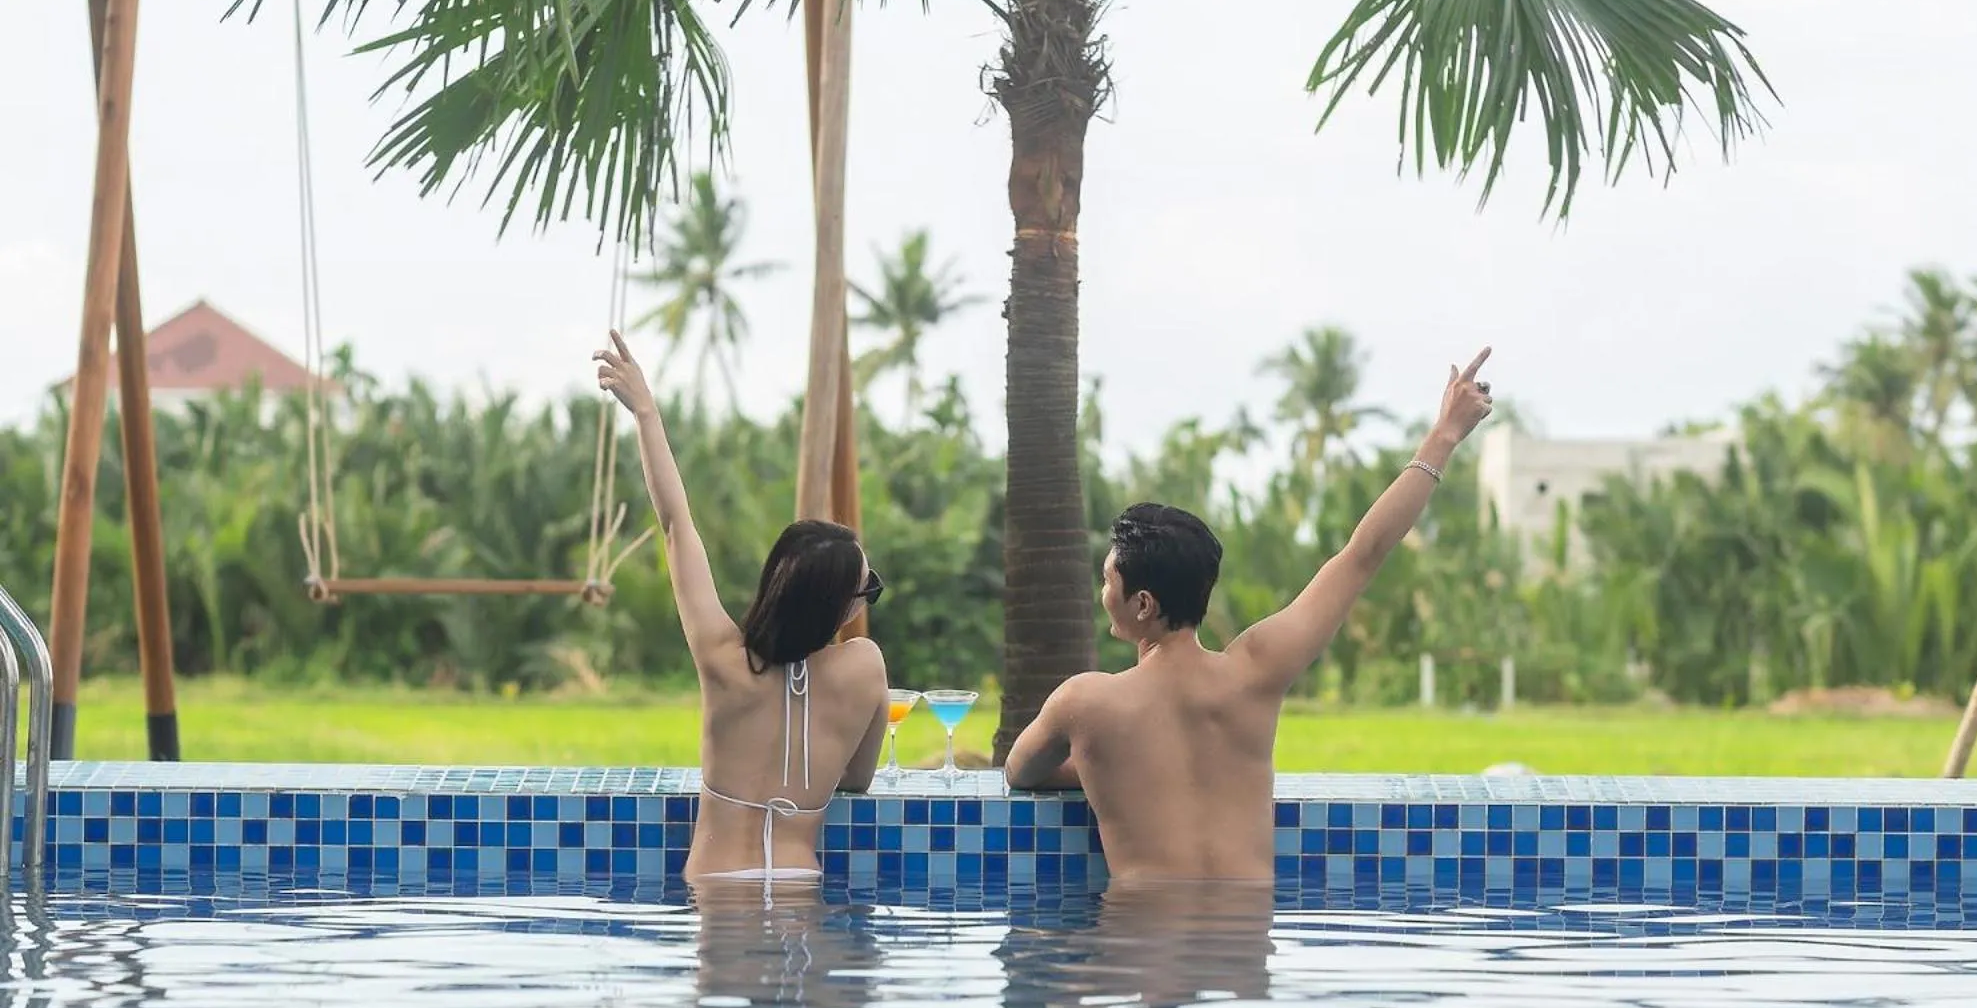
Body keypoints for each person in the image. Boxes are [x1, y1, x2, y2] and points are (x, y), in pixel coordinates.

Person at [1004, 347, 1496, 879]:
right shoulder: (1256, 671)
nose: (1102, 592)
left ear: (1142, 603)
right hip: (1241, 949)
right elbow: (1361, 555)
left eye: (1108, 580)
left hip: (1136, 950)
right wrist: (1444, 435)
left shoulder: (1085, 702)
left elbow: (1019, 771)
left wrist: (1109, 770)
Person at [595, 331, 889, 879]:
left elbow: (676, 524)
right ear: (842, 608)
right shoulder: (865, 667)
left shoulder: (722, 660)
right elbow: (855, 780)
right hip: (801, 887)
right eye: (869, 589)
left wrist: (646, 413)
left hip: (717, 885)